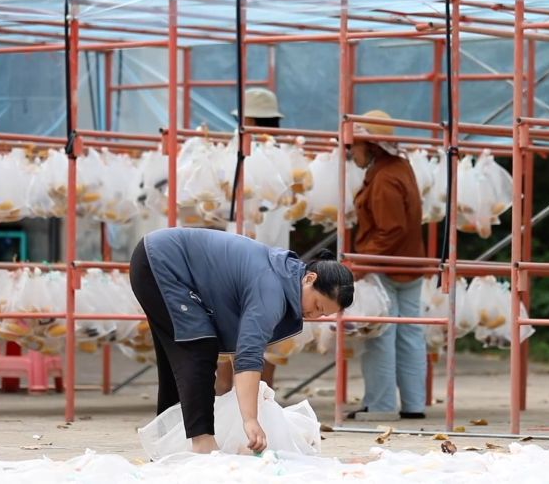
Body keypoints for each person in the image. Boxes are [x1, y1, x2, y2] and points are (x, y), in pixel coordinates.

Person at [129, 227, 354, 454]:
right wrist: (250, 421)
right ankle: (202, 444)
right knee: (198, 346)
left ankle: (169, 443)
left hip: (158, 258)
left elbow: (241, 347)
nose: (314, 316)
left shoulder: (283, 275)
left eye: (322, 314)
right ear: (310, 279)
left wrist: (252, 404)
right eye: (316, 306)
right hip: (161, 261)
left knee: (179, 359)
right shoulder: (272, 290)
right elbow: (248, 354)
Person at [346, 110, 428, 420]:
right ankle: (414, 404)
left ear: (371, 146)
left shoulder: (383, 178)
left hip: (385, 264)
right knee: (410, 334)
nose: (351, 151)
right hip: (409, 263)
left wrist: (363, 262)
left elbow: (390, 229)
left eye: (355, 145)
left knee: (380, 334)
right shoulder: (399, 167)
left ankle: (380, 406)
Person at [218, 86, 288, 393]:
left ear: (247, 118)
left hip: (239, 254)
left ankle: (226, 398)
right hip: (277, 256)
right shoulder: (283, 156)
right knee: (270, 327)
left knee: (230, 323)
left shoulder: (239, 152)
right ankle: (262, 398)